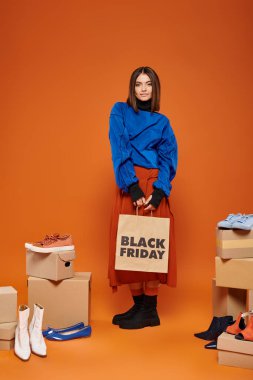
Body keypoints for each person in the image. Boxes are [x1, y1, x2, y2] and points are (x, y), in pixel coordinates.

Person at [108, 66, 178, 329]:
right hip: (132, 183)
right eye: (139, 84)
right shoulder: (120, 111)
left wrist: (159, 191)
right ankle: (139, 307)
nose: (144, 89)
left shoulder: (162, 122)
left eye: (148, 84)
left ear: (154, 88)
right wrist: (132, 186)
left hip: (153, 184)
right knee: (129, 244)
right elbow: (119, 145)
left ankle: (150, 311)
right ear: (132, 88)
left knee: (150, 245)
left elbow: (168, 157)